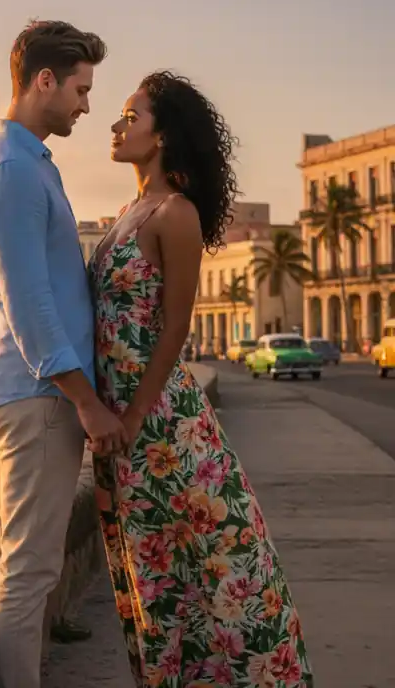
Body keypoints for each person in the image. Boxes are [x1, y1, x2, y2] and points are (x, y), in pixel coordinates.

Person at [88, 71, 314, 686]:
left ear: (162, 136)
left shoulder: (175, 214)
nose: (116, 124)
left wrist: (131, 417)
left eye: (131, 116)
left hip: (165, 426)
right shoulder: (126, 214)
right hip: (125, 424)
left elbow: (174, 330)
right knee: (154, 575)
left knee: (212, 566)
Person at [0, 20, 127, 688]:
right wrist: (85, 400)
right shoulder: (11, 170)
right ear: (44, 81)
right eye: (81, 89)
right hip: (40, 395)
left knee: (14, 563)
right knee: (31, 569)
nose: (87, 105)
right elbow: (30, 303)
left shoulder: (28, 162)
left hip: (34, 391)